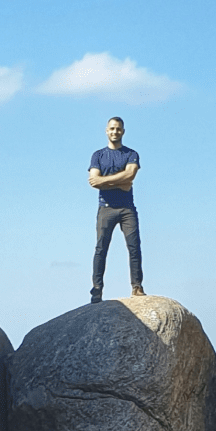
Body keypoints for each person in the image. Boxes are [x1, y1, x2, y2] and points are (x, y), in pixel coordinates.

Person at [88, 116, 145, 303]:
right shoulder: (98, 155)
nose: (115, 132)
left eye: (118, 129)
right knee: (101, 249)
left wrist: (105, 181)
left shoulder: (131, 154)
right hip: (106, 208)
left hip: (127, 208)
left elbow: (131, 175)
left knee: (134, 246)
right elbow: (94, 181)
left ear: (123, 131)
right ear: (106, 130)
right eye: (112, 128)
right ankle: (97, 290)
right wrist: (121, 181)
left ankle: (137, 287)